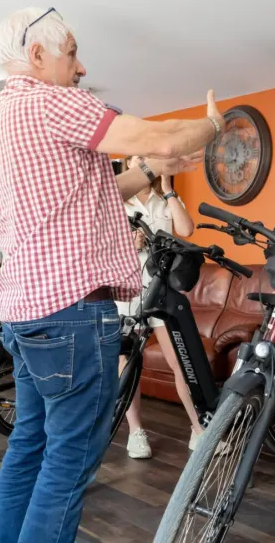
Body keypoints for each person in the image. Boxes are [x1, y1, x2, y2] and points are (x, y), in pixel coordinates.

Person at [0, 7, 225, 543]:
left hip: (23, 312)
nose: (81, 67)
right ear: (37, 55)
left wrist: (150, 171)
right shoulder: (54, 101)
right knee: (68, 462)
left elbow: (90, 193)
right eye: (71, 53)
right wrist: (213, 125)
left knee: (29, 446)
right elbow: (165, 137)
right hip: (69, 314)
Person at [116, 155, 202, 459]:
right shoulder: (116, 199)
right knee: (129, 363)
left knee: (181, 361)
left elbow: (186, 230)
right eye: (137, 156)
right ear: (128, 162)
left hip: (162, 293)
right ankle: (136, 432)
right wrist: (128, 245)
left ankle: (199, 429)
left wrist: (168, 189)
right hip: (128, 292)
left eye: (147, 156)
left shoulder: (164, 200)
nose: (143, 162)